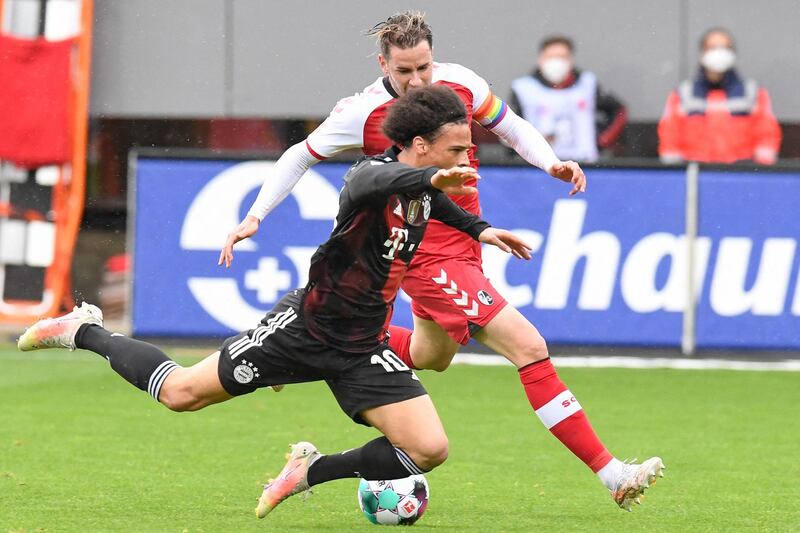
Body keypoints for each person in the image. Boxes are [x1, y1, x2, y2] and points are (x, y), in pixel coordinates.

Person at [18, 86, 536, 520]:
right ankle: (84, 330)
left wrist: (482, 229)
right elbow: (387, 179)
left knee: (428, 450)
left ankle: (308, 471)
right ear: (420, 146)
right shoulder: (368, 178)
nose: (468, 159)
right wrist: (431, 178)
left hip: (362, 345)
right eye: (458, 150)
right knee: (181, 393)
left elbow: (432, 199)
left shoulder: (426, 186)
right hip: (304, 329)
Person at [219, 11, 663, 511]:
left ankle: (304, 359)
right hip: (424, 248)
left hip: (466, 243)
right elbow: (301, 154)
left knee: (434, 356)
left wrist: (550, 162)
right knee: (528, 345)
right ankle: (612, 473)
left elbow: (512, 126)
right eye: (403, 71)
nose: (416, 81)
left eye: (423, 67)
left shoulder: (463, 84)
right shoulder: (362, 112)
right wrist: (255, 214)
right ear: (383, 63)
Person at [658, 27, 782, 164]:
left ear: (733, 53)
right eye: (712, 47)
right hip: (695, 173)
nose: (719, 53)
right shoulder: (683, 93)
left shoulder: (752, 92)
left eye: (724, 48)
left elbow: (767, 135)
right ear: (702, 53)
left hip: (740, 173)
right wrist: (674, 174)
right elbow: (669, 136)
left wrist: (760, 173)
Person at [509, 35, 627, 162]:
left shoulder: (587, 84)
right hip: (539, 166)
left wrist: (601, 142)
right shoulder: (523, 88)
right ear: (540, 59)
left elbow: (618, 111)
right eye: (551, 57)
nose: (556, 63)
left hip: (584, 164)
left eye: (562, 57)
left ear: (571, 60)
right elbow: (509, 128)